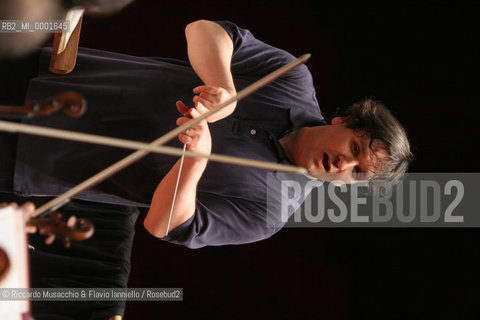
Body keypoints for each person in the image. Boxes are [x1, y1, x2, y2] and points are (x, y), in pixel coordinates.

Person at [0, 20, 412, 249]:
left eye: (356, 173)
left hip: (29, 158)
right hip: (43, 79)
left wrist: (195, 161)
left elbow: (163, 225)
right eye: (354, 148)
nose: (345, 164)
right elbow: (204, 29)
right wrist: (226, 90)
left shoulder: (267, 215)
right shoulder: (293, 81)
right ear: (343, 122)